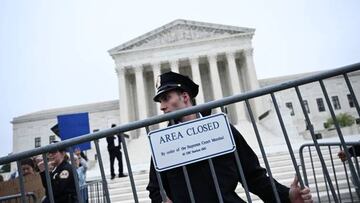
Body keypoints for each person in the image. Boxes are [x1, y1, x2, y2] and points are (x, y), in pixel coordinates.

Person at [147, 71, 312, 203]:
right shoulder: (163, 142)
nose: (162, 107)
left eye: (166, 98)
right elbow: (156, 188)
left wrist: (286, 196)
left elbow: (252, 175)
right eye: (160, 101)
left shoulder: (221, 130)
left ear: (185, 97)